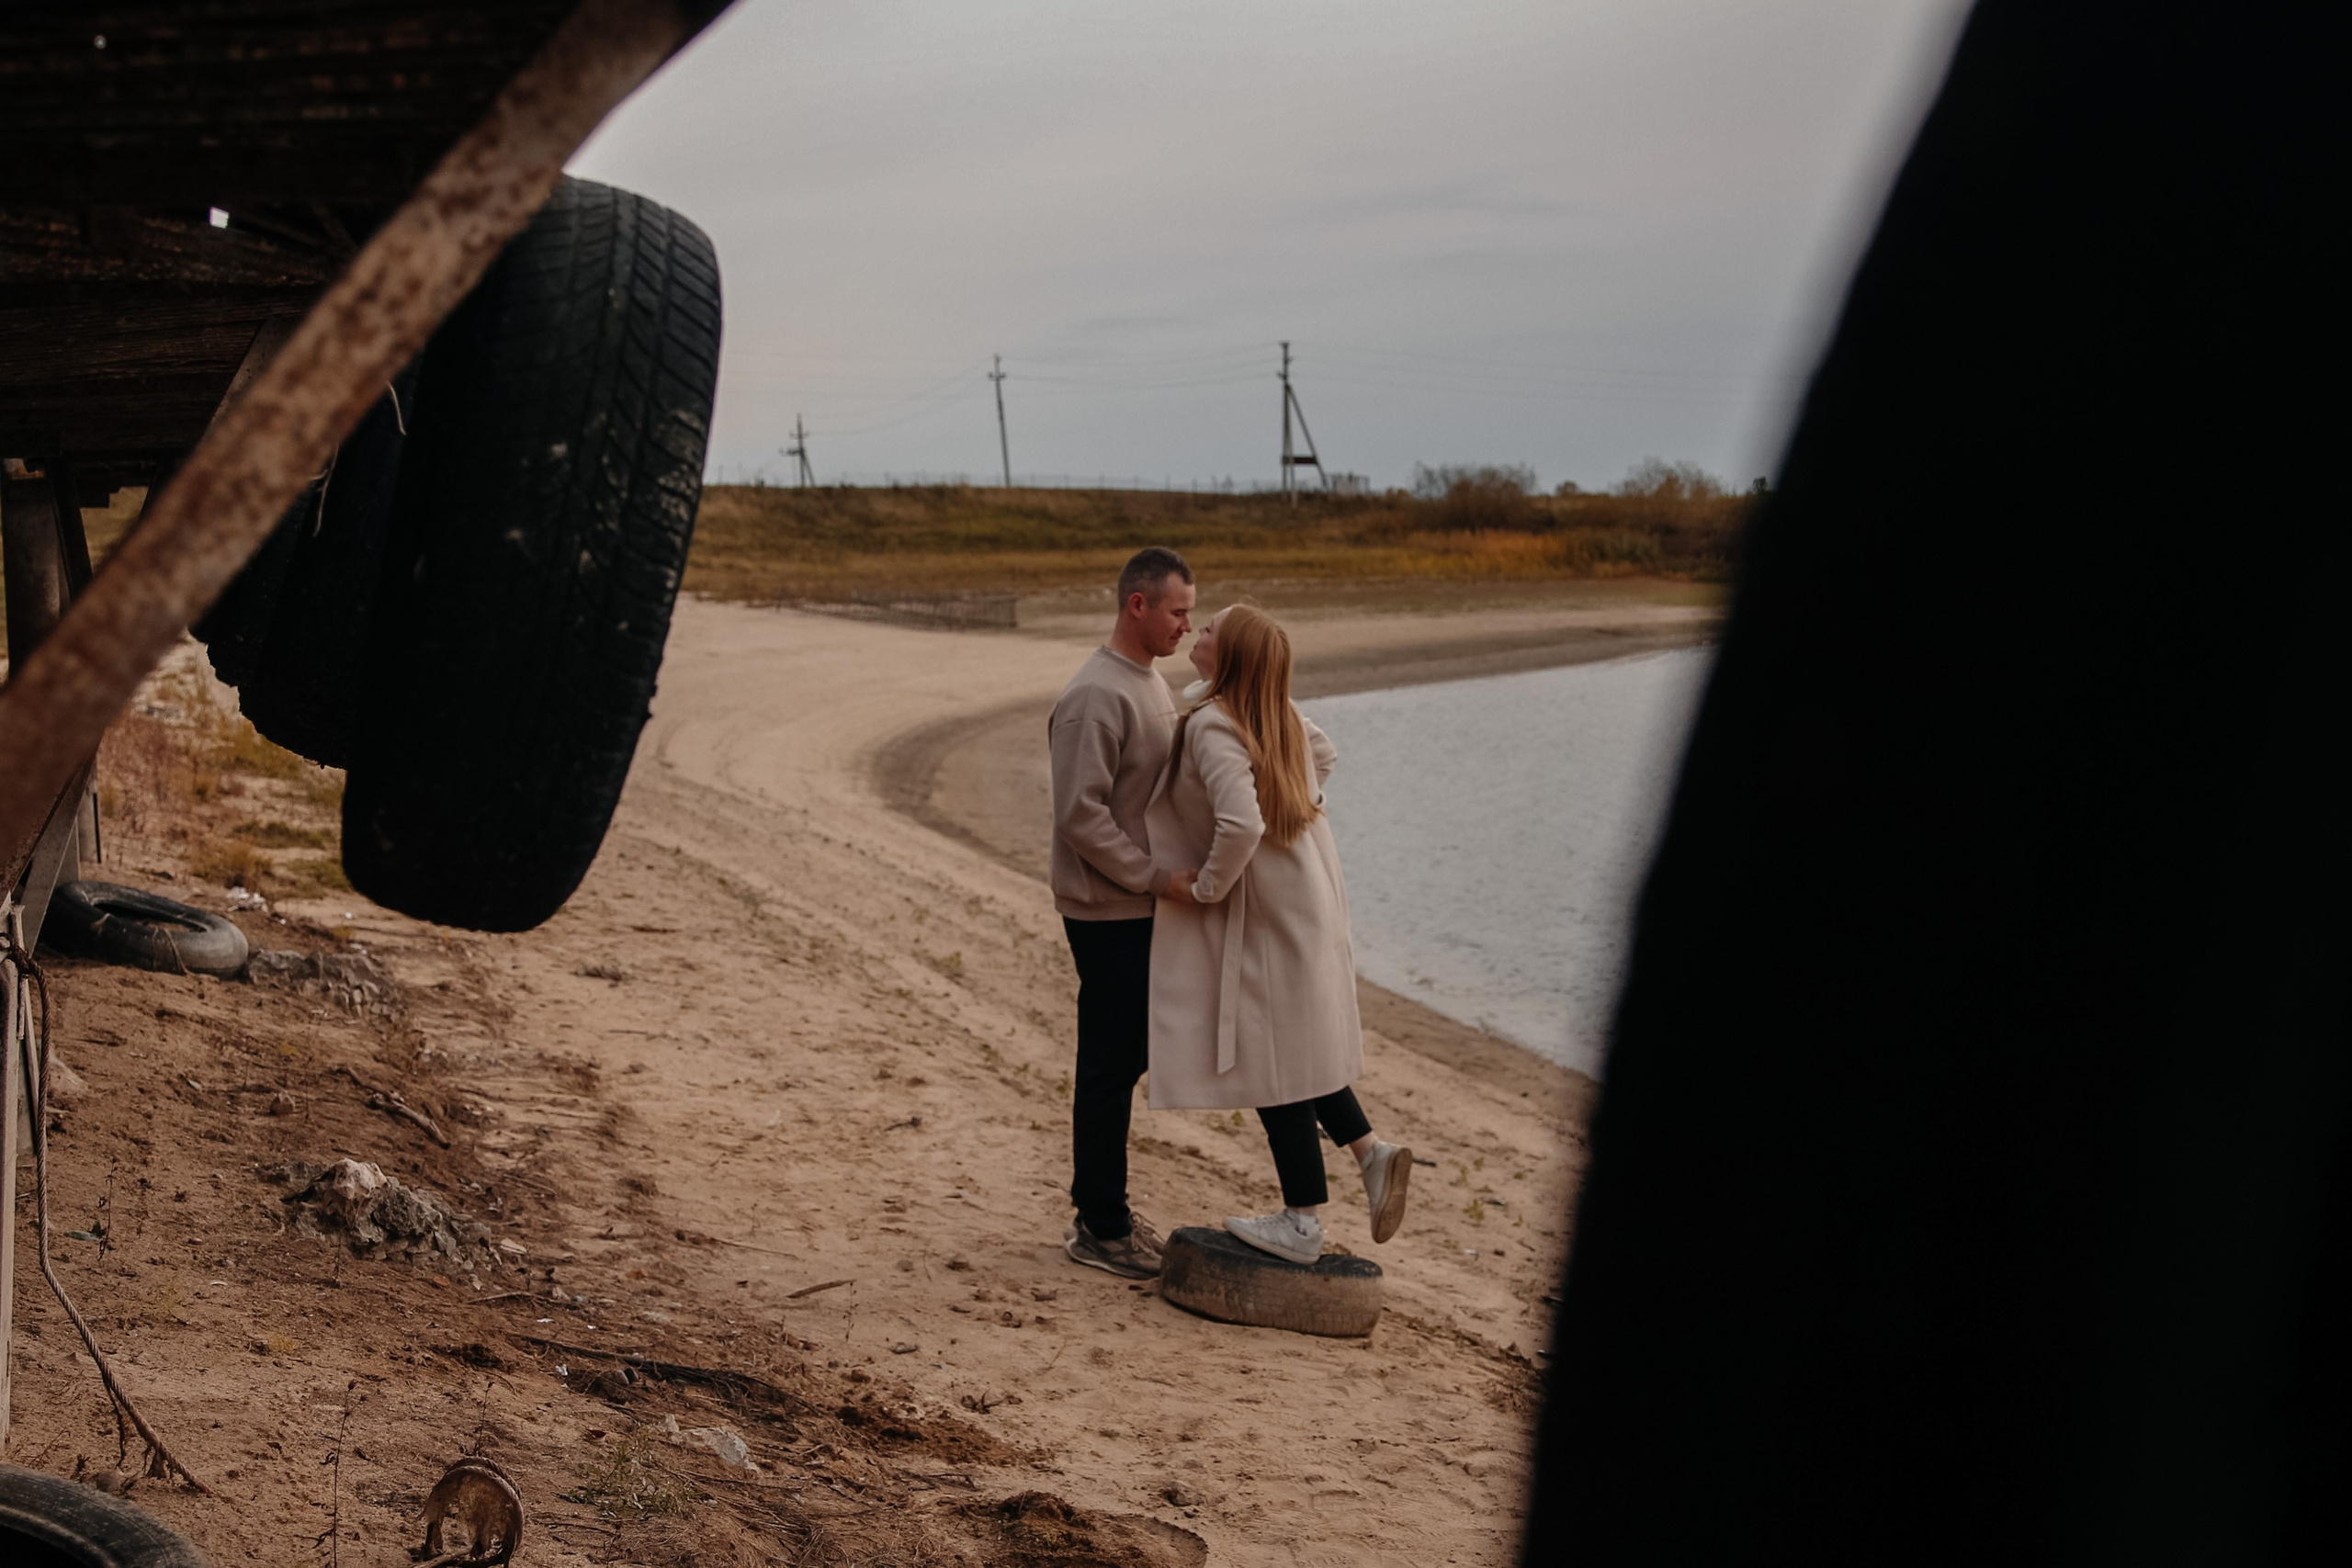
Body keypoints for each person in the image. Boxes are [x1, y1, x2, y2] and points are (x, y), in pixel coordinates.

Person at [1145, 604, 1411, 1264]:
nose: (1198, 631)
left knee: (1271, 1062)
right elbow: (1324, 754)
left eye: (1209, 628)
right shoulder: (1271, 713)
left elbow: (1239, 825)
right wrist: (1293, 797)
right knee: (1297, 1042)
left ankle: (1301, 1222)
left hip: (1267, 910)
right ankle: (1371, 1155)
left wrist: (1208, 886)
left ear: (1228, 655)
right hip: (1311, 894)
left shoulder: (1213, 723)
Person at [1047, 546, 1196, 1278]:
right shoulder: (1095, 695)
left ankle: (1103, 1210)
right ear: (1137, 604)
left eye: (1192, 612)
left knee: (1127, 1054)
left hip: (1136, 902)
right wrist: (1155, 877)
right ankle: (1099, 1226)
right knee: (1109, 1062)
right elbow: (1080, 815)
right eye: (1177, 611)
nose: (1186, 626)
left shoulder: (1148, 680)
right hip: (1106, 905)